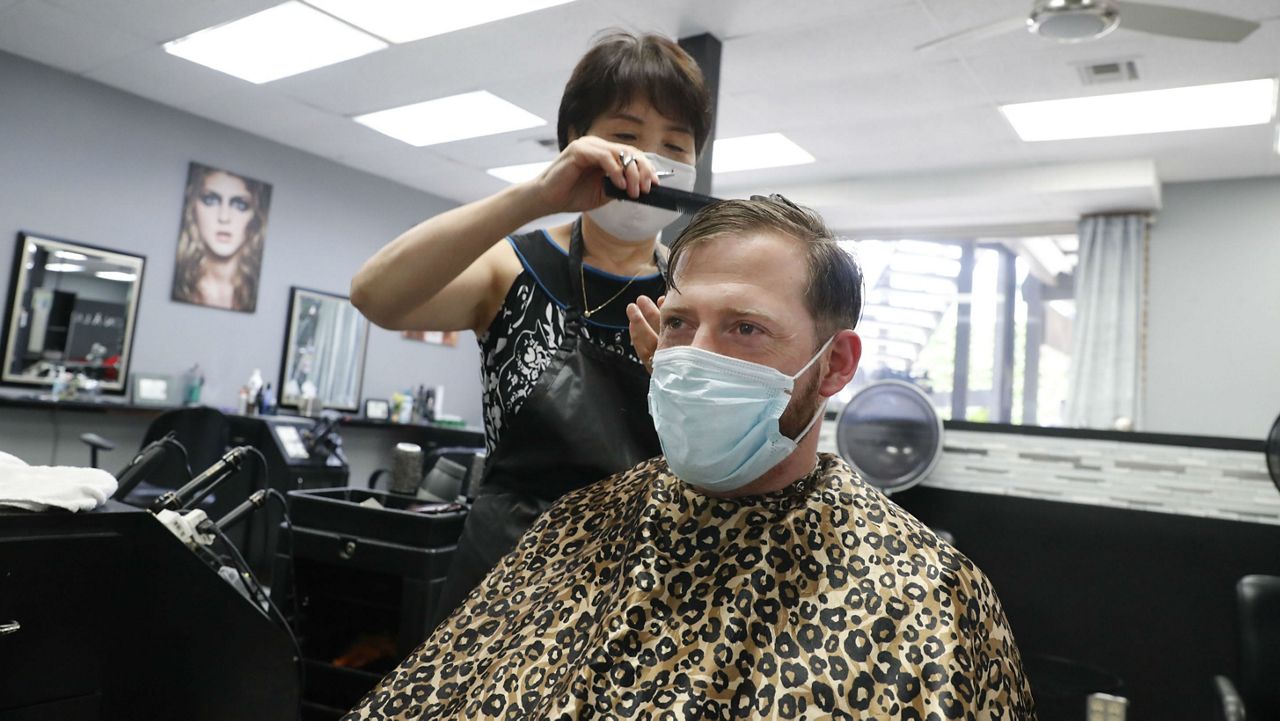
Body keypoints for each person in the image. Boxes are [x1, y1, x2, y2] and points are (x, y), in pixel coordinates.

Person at [343, 196, 1037, 721]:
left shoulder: (931, 596)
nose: (695, 357)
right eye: (678, 323)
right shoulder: (574, 527)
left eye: (745, 328)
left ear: (834, 366)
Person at [349, 30, 712, 625]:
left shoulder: (693, 300)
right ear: (575, 141)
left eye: (675, 144)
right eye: (625, 137)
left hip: (638, 590)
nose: (649, 162)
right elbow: (375, 296)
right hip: (502, 585)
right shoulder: (511, 268)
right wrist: (535, 198)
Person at [171, 163, 270, 312]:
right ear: (193, 208)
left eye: (240, 205)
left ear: (254, 216)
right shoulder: (181, 286)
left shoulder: (255, 292)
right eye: (211, 200)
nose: (224, 217)